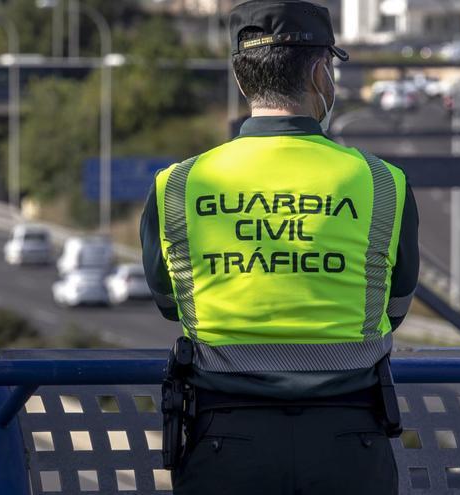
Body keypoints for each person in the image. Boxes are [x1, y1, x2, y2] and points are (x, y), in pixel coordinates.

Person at [139, 1, 419, 493]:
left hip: (222, 440)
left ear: (241, 79)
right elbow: (393, 310)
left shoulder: (176, 186)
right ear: (320, 72)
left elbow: (169, 304)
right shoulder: (384, 183)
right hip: (350, 444)